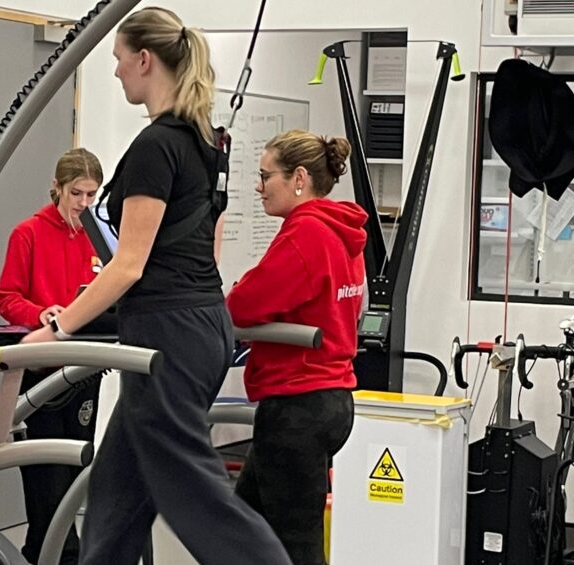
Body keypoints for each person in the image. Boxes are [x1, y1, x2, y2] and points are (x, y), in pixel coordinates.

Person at [22, 8, 291, 564]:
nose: (116, 73)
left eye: (119, 61)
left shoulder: (156, 146)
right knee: (117, 497)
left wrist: (56, 327)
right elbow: (200, 248)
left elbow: (127, 266)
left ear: (145, 60)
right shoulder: (203, 142)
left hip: (169, 336)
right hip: (193, 324)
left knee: (194, 495)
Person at [226, 129, 367, 565]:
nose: (258, 185)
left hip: (297, 409)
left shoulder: (305, 235)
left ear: (299, 177)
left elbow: (243, 306)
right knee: (243, 526)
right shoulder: (342, 231)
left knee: (297, 546)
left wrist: (232, 298)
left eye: (266, 175)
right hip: (332, 400)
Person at [0, 147, 104, 565]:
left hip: (84, 372)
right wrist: (39, 313)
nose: (84, 204)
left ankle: (52, 553)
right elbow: (6, 297)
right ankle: (56, 555)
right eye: (76, 193)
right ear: (57, 188)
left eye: (92, 195)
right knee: (45, 484)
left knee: (75, 479)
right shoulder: (29, 233)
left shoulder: (97, 236)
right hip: (41, 374)